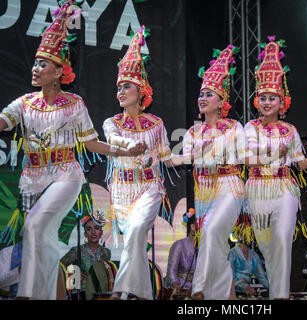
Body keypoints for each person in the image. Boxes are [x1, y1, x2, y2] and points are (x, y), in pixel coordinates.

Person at [0, 1, 144, 300]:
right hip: (34, 179)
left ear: (58, 71)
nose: (35, 68)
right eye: (35, 62)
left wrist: (126, 153)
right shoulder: (24, 102)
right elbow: (3, 120)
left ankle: (26, 293)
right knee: (43, 237)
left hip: (66, 176)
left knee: (35, 224)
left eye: (43, 64)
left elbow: (91, 143)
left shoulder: (74, 104)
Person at [244, 36, 307, 300]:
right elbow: (248, 158)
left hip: (285, 187)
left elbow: (298, 164)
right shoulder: (250, 128)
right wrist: (274, 152)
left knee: (283, 238)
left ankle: (280, 296)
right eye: (262, 97)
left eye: (272, 98)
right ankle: (277, 291)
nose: (266, 102)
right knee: (266, 245)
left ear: (282, 102)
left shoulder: (291, 130)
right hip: (258, 188)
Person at [102, 26, 174, 300]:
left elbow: (168, 158)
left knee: (134, 233)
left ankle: (120, 291)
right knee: (134, 241)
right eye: (118, 87)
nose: (121, 91)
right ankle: (143, 295)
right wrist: (130, 146)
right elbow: (112, 139)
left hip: (149, 188)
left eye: (126, 86)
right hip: (121, 190)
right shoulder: (112, 122)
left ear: (140, 89)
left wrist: (200, 154)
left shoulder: (156, 124)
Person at [183, 45, 247, 300]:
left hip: (230, 186)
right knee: (217, 244)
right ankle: (227, 298)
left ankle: (198, 288)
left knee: (210, 231)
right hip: (206, 191)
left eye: (209, 94)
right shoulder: (192, 132)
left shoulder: (234, 127)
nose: (202, 98)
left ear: (221, 101)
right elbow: (185, 157)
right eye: (201, 94)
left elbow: (245, 156)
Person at [60, 216, 111, 300]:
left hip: (100, 292)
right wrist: (74, 274)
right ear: (85, 234)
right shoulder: (77, 250)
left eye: (96, 228)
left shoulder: (106, 252)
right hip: (81, 293)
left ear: (101, 232)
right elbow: (60, 266)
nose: (93, 232)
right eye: (89, 229)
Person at [165, 209, 197, 297]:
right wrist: (176, 285)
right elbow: (172, 269)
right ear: (193, 227)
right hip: (180, 288)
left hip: (197, 290)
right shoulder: (179, 245)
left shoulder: (204, 246)